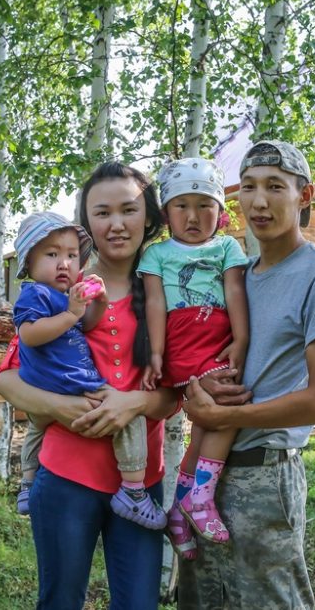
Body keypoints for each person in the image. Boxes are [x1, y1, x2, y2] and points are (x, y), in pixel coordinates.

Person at [0, 162, 249, 610]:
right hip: (66, 474)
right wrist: (60, 407)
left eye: (129, 210)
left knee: (138, 604)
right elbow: (7, 378)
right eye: (102, 212)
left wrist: (134, 401)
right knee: (60, 600)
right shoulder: (64, 289)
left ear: (149, 217)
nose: (117, 224)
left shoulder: (167, 289)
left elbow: (176, 392)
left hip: (141, 484)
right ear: (87, 223)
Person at [177, 140, 315, 610]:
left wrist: (223, 416)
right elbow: (206, 357)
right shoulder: (233, 276)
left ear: (305, 196)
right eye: (249, 188)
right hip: (203, 477)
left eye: (275, 187)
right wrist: (202, 386)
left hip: (264, 476)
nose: (258, 202)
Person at [10, 211, 166, 530]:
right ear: (28, 263)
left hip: (54, 386)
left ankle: (27, 483)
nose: (64, 263)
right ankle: (134, 491)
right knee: (129, 416)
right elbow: (28, 334)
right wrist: (69, 315)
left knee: (36, 428)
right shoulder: (35, 293)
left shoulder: (65, 296)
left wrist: (99, 303)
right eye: (52, 254)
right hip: (71, 385)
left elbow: (88, 323)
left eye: (71, 255)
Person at [138, 158, 249, 555]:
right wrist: (155, 353)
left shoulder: (226, 247)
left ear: (220, 211)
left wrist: (241, 338)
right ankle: (201, 497)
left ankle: (181, 507)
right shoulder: (156, 254)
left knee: (204, 425)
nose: (193, 215)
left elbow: (235, 292)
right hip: (182, 344)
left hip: (218, 341)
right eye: (182, 205)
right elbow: (154, 303)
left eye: (205, 205)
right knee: (224, 411)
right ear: (166, 211)